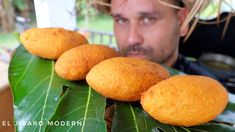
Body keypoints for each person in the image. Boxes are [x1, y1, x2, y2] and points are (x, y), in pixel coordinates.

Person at [98, 0, 217, 79]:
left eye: (148, 19)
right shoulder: (100, 81)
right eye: (121, 20)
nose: (132, 39)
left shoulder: (209, 97)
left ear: (182, 21)